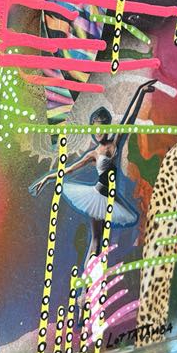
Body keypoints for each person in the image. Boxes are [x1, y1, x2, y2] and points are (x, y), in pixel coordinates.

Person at [29, 79, 157, 265]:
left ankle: (94, 274)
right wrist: (48, 177)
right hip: (97, 197)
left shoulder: (113, 145)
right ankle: (89, 276)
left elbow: (129, 118)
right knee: (96, 240)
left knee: (102, 240)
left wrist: (140, 91)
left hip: (111, 198)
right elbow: (68, 170)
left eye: (101, 128)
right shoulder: (93, 154)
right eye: (95, 128)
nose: (98, 133)